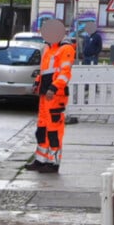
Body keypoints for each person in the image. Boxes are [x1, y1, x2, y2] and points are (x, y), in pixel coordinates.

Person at [26, 18, 74, 174]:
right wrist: (37, 83)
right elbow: (44, 70)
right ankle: (41, 160)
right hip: (45, 93)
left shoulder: (66, 49)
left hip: (55, 95)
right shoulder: (48, 48)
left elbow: (65, 73)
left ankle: (53, 163)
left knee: (54, 131)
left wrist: (53, 87)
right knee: (42, 129)